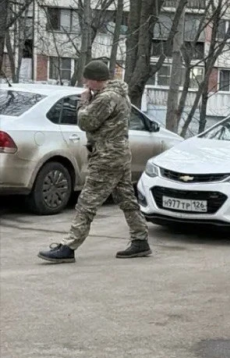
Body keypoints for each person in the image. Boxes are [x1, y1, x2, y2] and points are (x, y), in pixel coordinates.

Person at [37, 60, 152, 263]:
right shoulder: (120, 95)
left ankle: (69, 246)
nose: (85, 83)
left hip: (106, 157)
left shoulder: (106, 98)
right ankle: (140, 240)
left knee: (87, 202)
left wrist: (83, 102)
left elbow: (85, 122)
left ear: (96, 80)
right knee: (126, 199)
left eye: (88, 80)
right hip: (119, 154)